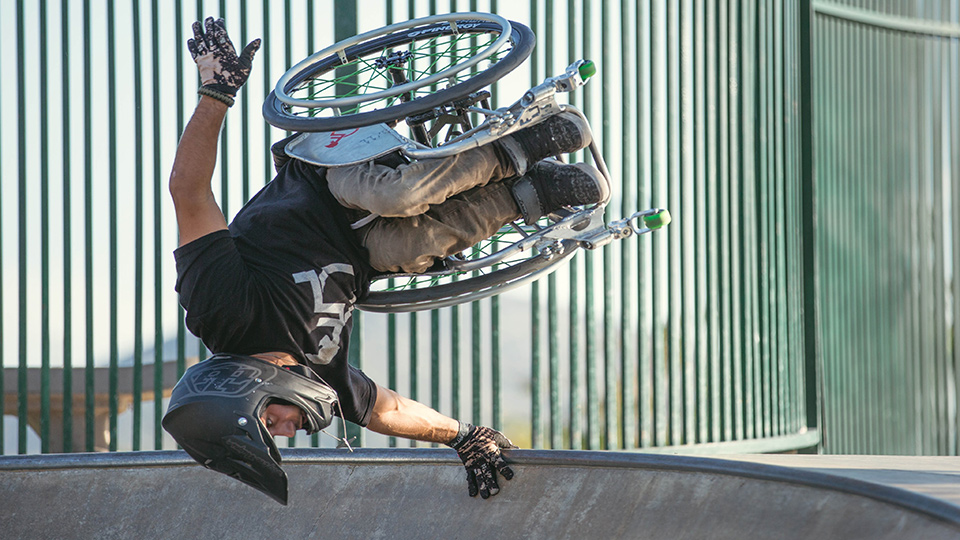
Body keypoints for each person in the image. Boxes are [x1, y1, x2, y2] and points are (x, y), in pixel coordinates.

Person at [162, 17, 608, 505]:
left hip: (323, 176)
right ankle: (533, 192)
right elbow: (382, 410)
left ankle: (518, 146)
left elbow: (188, 192)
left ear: (244, 389)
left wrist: (217, 92)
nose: (290, 432)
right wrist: (465, 436)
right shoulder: (316, 371)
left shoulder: (220, 309)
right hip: (366, 245)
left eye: (271, 423)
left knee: (399, 192)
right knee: (412, 249)